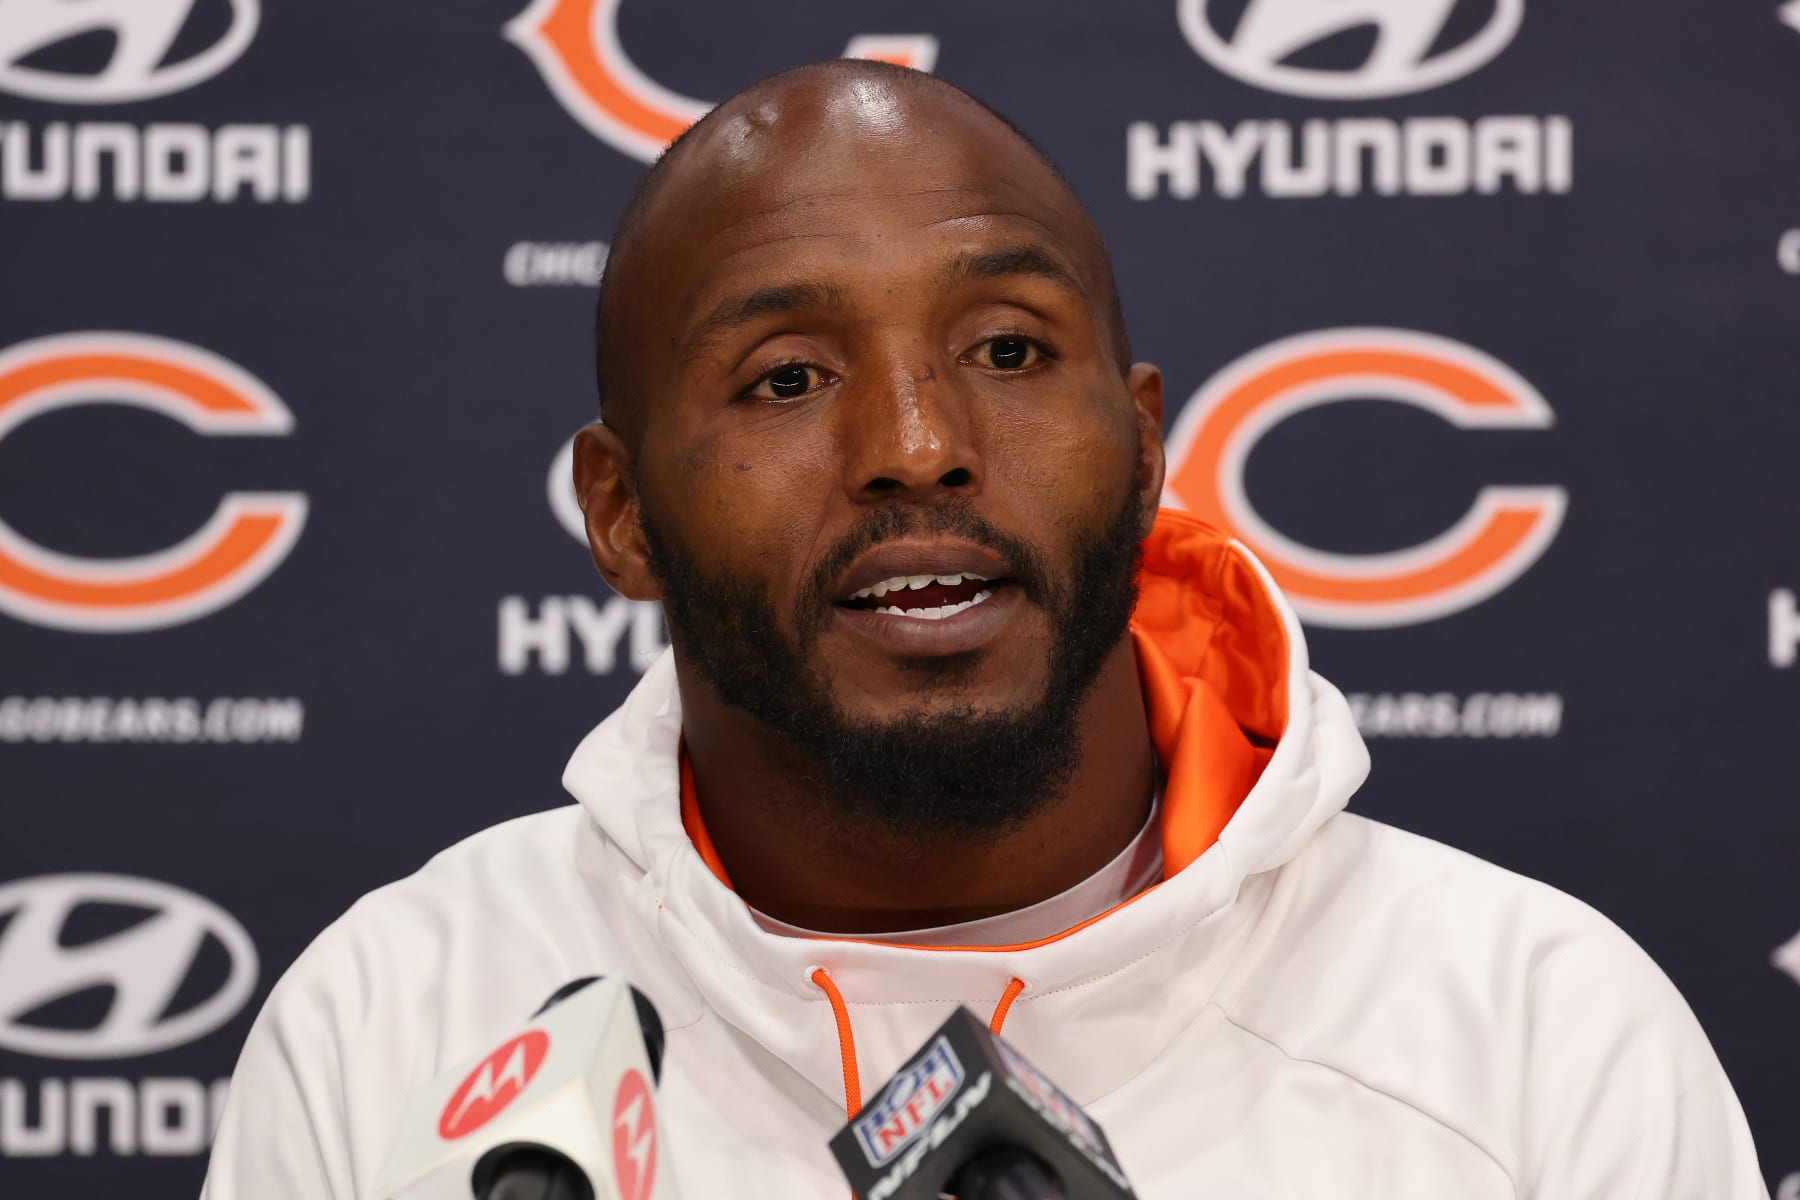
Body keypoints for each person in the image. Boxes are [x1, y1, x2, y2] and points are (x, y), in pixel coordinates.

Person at [201, 60, 1767, 1198]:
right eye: (788, 378)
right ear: (618, 515)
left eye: (1010, 348)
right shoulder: (398, 1026)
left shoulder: (1537, 1029)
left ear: (1145, 446)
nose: (920, 441)